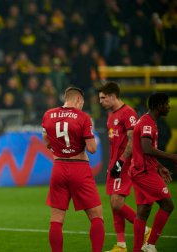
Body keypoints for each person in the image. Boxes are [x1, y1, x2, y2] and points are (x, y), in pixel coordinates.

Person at [42, 87, 105, 252]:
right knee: (97, 217)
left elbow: (47, 143)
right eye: (82, 103)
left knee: (56, 220)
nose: (82, 106)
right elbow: (92, 149)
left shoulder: (48, 114)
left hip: (58, 168)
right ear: (78, 99)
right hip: (79, 168)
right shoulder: (83, 117)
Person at [98, 82, 150, 252]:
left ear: (113, 96)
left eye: (103, 98)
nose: (100, 101)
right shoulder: (111, 114)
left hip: (125, 165)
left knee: (117, 203)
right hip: (114, 164)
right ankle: (121, 245)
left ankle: (145, 231)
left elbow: (132, 140)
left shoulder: (128, 113)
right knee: (113, 204)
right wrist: (113, 163)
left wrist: (121, 161)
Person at [130, 93, 176, 252]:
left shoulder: (148, 121)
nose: (169, 106)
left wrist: (159, 166)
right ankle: (150, 245)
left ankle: (137, 249)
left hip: (141, 169)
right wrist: (171, 157)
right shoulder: (147, 123)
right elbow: (146, 148)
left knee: (143, 211)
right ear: (158, 106)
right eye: (166, 104)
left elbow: (145, 152)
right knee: (168, 205)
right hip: (143, 172)